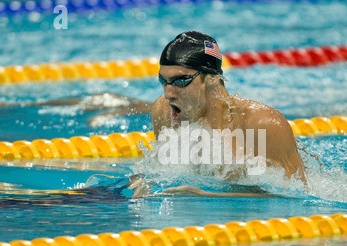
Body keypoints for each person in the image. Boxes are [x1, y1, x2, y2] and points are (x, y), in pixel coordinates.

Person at [129, 31, 306, 198]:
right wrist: (141, 183)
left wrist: (209, 197)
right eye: (164, 81)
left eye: (181, 80)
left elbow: (296, 197)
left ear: (212, 78)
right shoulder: (163, 111)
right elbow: (162, 171)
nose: (168, 94)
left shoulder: (262, 124)